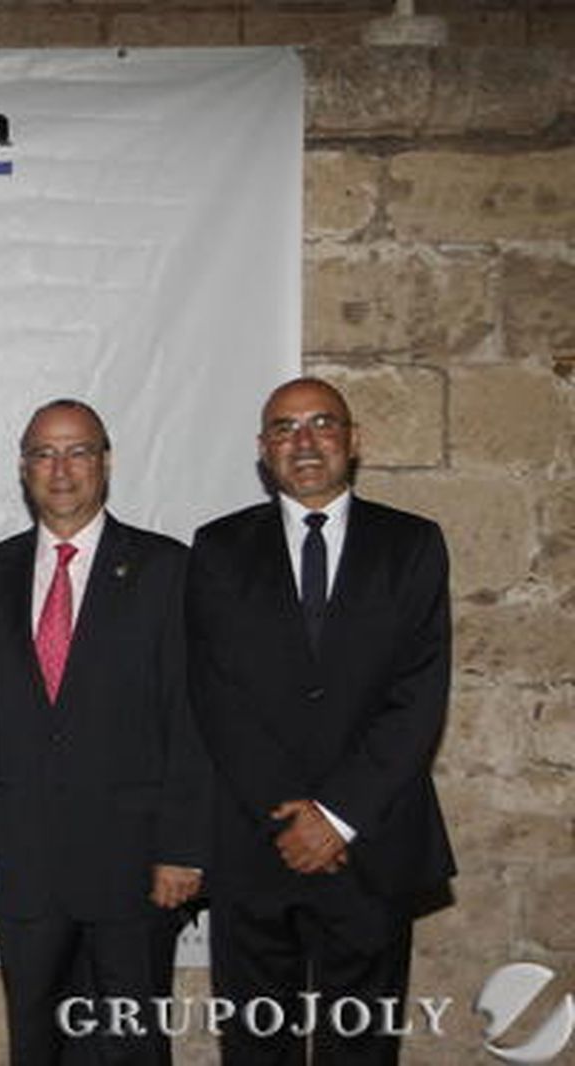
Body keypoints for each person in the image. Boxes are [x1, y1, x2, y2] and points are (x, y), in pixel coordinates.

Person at [186, 377, 454, 1064]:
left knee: (362, 1049)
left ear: (353, 440)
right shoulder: (217, 549)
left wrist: (334, 817)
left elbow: (418, 696)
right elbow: (215, 694)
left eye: (321, 424)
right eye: (283, 428)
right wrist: (290, 817)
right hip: (256, 844)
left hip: (370, 844)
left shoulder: (413, 545)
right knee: (256, 1047)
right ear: (262, 449)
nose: (303, 442)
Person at [0, 399, 210, 1066]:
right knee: (37, 1043)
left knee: (132, 1045)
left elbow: (191, 717)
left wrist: (183, 848)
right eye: (43, 453)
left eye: (78, 451)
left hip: (134, 865)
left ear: (106, 462)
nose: (60, 469)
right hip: (22, 863)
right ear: (23, 468)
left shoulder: (166, 569)